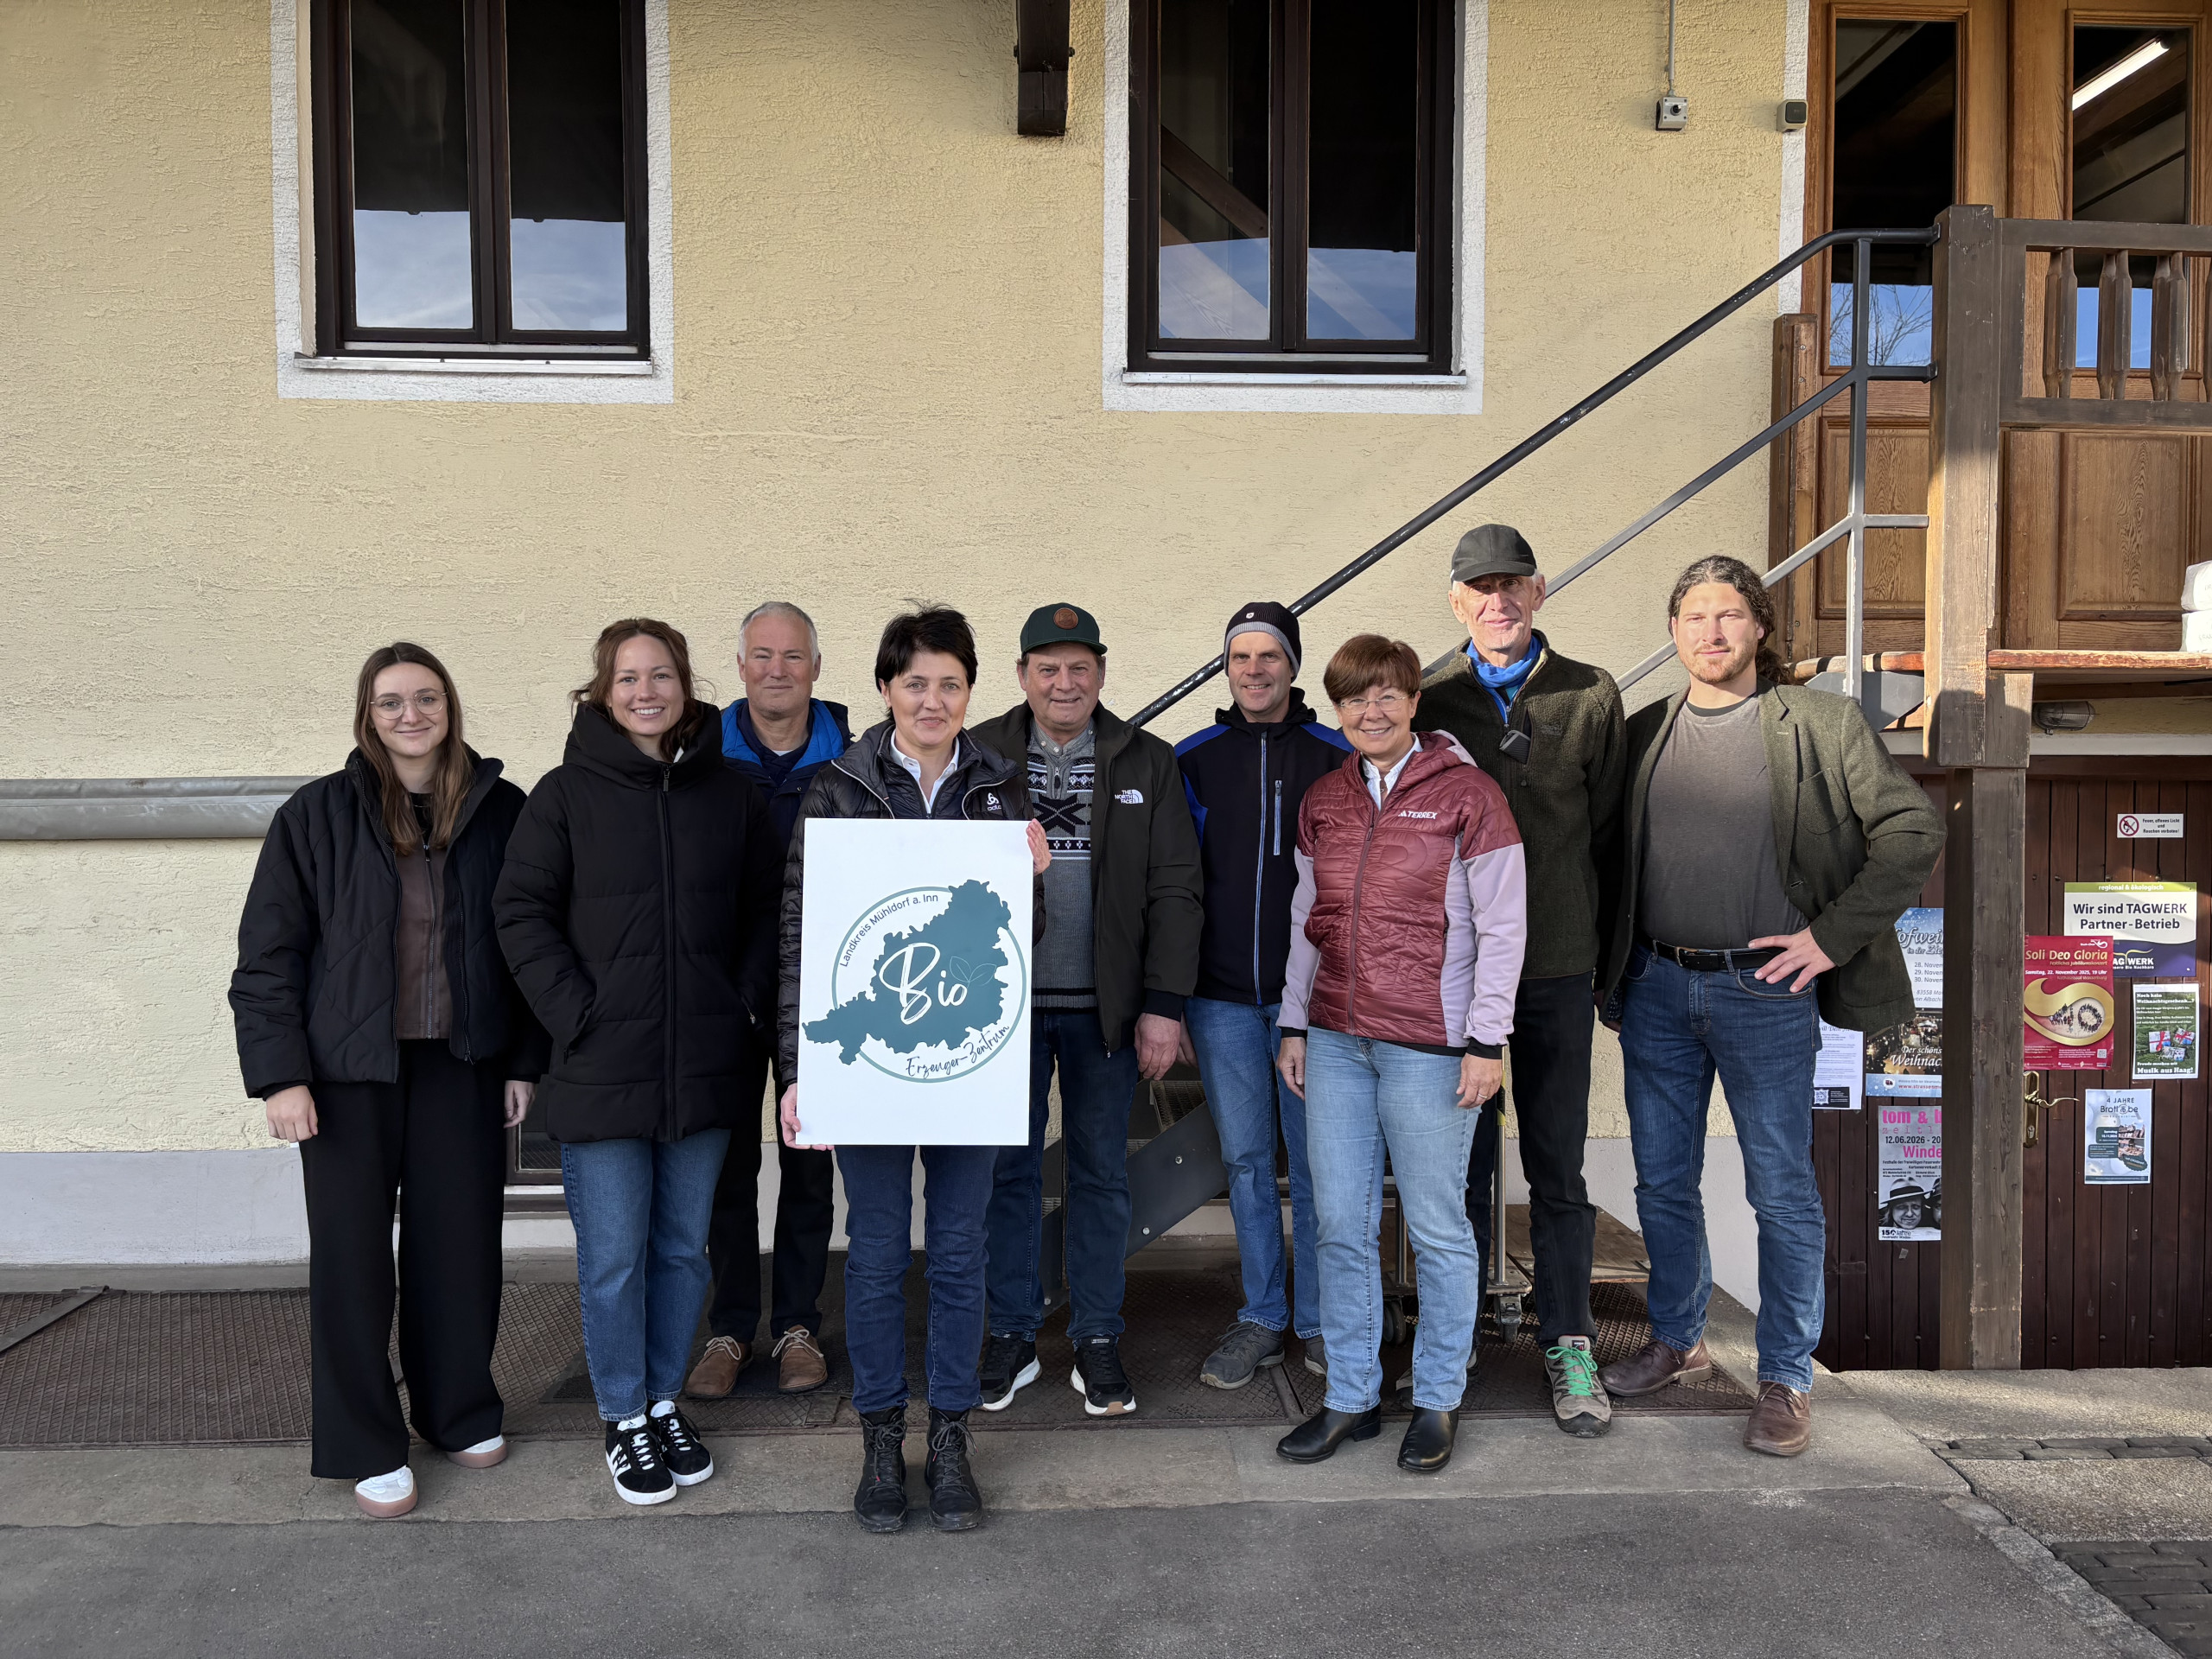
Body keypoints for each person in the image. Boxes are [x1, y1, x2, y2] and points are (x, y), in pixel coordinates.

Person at [1597, 556, 1942, 1458]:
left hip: (1766, 992)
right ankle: (1678, 1342)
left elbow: (1912, 830)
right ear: (1673, 633)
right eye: (1693, 617)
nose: (1710, 632)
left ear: (1758, 627)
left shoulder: (1818, 723)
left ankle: (1785, 1376)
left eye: (1727, 615)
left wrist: (1830, 937)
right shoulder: (1640, 734)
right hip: (1656, 986)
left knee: (1780, 1191)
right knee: (1661, 1183)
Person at [230, 642, 545, 1519]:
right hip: (342, 1078)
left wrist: (522, 1059)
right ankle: (368, 1441)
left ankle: (457, 1412)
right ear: (366, 715)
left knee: (459, 1252)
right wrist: (280, 1078)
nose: (412, 716)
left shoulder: (500, 810)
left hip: (462, 1065)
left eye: (428, 698)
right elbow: (268, 959)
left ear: (451, 707)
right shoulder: (315, 817)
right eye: (392, 702)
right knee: (351, 1264)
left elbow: (524, 947)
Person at [776, 606, 1051, 1535]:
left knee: (963, 1252)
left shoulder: (1000, 788)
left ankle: (952, 1436)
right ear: (886, 688)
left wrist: (1032, 884)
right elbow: (800, 940)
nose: (932, 700)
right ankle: (882, 1438)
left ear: (971, 693)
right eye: (914, 682)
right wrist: (798, 1068)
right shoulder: (836, 789)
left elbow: (1020, 949)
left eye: (950, 684)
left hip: (967, 1055)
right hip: (874, 1065)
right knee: (882, 1252)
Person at [495, 619, 783, 1506]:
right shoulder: (563, 795)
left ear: (687, 685)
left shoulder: (730, 794)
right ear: (602, 690)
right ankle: (622, 1413)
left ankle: (662, 1399)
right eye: (628, 677)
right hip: (598, 1070)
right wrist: (578, 1014)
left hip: (702, 1065)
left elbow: (768, 913)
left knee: (681, 1253)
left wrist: (738, 1008)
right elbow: (519, 912)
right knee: (613, 1256)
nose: (646, 690)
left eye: (661, 675)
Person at [1275, 635, 1527, 1474]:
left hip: (1430, 1045)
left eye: (1385, 695)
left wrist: (1486, 1039)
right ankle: (1351, 1396)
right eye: (1353, 699)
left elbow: (1502, 927)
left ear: (1414, 701)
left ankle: (1436, 1399)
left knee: (1435, 1227)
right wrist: (1292, 1024)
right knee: (1340, 1222)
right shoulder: (1324, 800)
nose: (1369, 712)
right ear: (1337, 709)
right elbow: (1306, 922)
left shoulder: (1469, 796)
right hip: (1339, 1043)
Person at [1413, 524, 1625, 1437]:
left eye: (1512, 586)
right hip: (1458, 975)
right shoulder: (1427, 698)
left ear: (1538, 593)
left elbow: (1616, 840)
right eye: (1478, 589)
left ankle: (1569, 1341)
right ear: (1456, 602)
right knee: (1453, 1163)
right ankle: (1452, 1335)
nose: (1497, 602)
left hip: (1555, 966)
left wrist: (1610, 969)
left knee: (1556, 1163)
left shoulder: (1588, 693)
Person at [970, 602, 1204, 1419]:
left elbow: (1177, 889)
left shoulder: (1148, 760)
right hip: (998, 1013)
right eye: (1047, 668)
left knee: (1103, 1175)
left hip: (1108, 1011)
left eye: (1079, 667)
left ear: (1101, 672)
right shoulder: (980, 755)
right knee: (1007, 1174)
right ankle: (1009, 1333)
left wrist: (1164, 1006)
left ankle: (1099, 1337)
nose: (1064, 682)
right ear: (1022, 676)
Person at [1173, 601, 1349, 1389]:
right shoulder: (1193, 759)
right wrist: (1168, 997)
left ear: (1293, 665)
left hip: (1315, 1007)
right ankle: (1264, 1316)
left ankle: (1318, 1320)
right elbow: (1170, 887)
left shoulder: (1339, 755)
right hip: (1219, 1002)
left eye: (1268, 656)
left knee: (1318, 1167)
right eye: (1240, 656)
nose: (1254, 670)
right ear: (1226, 668)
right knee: (1245, 1162)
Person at [686, 601, 852, 1401]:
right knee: (724, 1164)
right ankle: (728, 1327)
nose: (777, 670)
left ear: (817, 667)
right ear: (740, 664)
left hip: (819, 992)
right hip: (720, 988)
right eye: (761, 655)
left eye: (793, 656)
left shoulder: (855, 759)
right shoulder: (696, 756)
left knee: (809, 1161)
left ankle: (796, 1327)